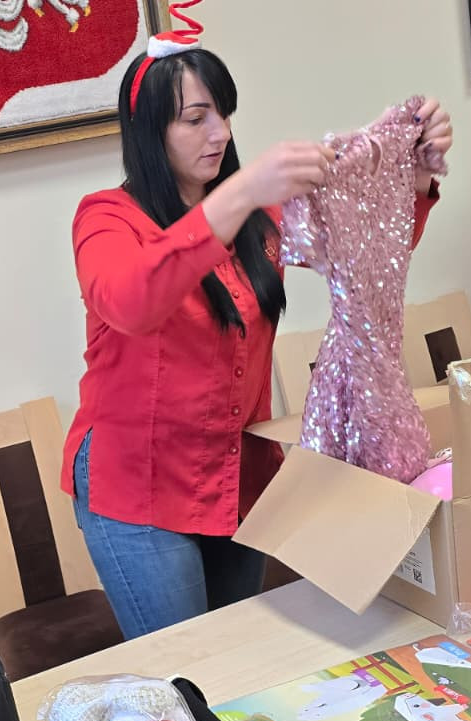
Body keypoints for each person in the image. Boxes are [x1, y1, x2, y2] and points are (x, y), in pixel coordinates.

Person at [59, 40, 451, 640]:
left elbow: (365, 251)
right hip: (138, 487)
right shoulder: (107, 217)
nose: (219, 133)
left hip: (239, 479)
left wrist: (412, 172)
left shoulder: (261, 219)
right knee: (189, 667)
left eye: (223, 114)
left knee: (242, 656)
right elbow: (130, 301)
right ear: (148, 131)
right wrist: (241, 193)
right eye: (195, 119)